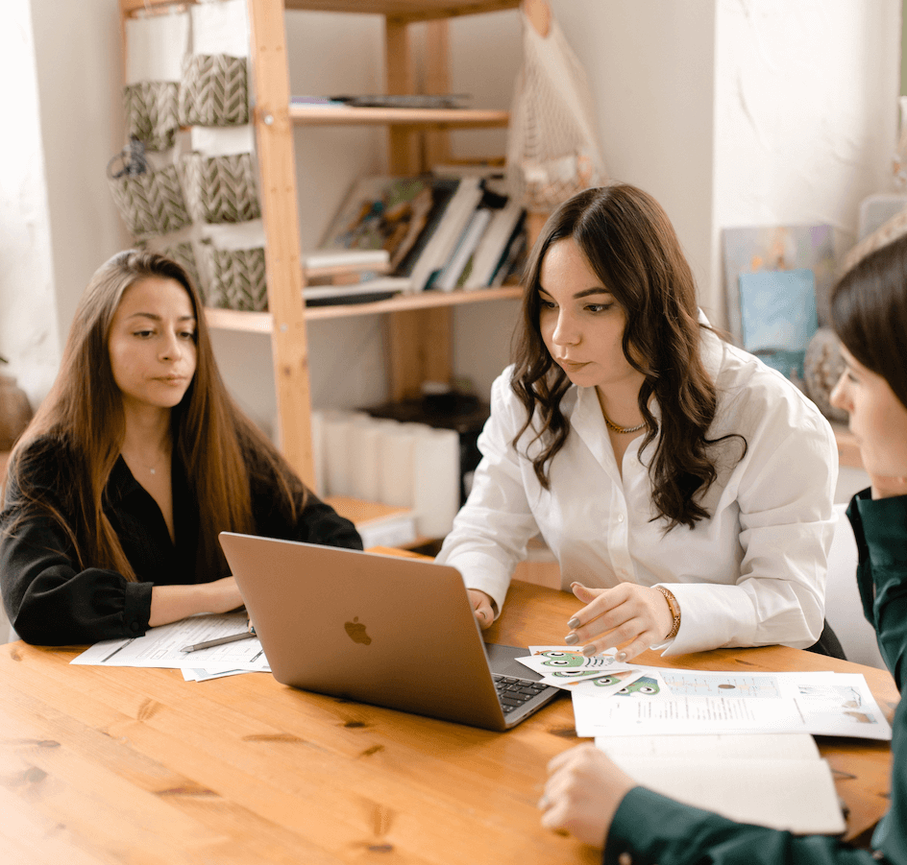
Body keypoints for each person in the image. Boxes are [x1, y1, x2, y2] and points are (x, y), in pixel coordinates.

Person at [539, 231, 907, 865]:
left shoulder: (762, 407)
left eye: (858, 375)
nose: (840, 397)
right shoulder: (540, 395)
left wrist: (641, 820)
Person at [437, 183, 841, 659]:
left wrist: (671, 609)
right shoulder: (529, 396)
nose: (562, 336)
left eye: (594, 307)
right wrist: (473, 590)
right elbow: (486, 528)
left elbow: (793, 604)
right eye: (548, 304)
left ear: (653, 302)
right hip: (611, 667)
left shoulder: (770, 414)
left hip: (751, 669)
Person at [0, 250, 362, 646]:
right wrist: (212, 596)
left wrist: (280, 589)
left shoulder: (225, 439)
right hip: (104, 682)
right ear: (96, 344)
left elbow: (334, 538)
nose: (173, 351)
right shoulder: (46, 459)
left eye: (186, 333)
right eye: (145, 332)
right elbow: (35, 601)